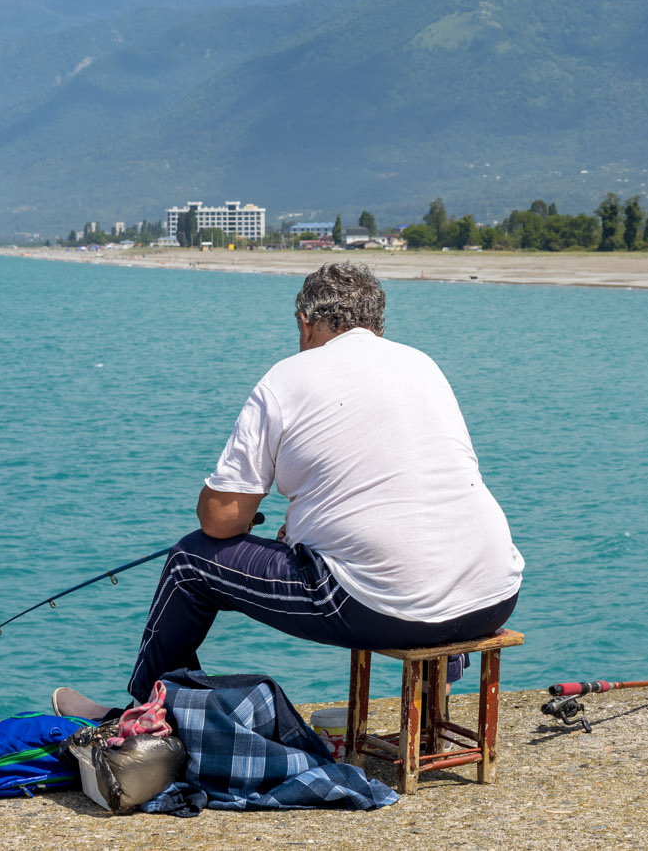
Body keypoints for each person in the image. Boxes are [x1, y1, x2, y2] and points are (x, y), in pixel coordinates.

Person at [53, 261, 523, 718]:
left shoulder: (287, 378)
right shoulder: (423, 365)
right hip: (492, 594)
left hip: (386, 607)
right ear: (376, 324)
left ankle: (145, 717)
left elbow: (220, 519)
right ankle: (430, 710)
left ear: (306, 321)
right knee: (421, 554)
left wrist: (234, 510)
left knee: (189, 562)